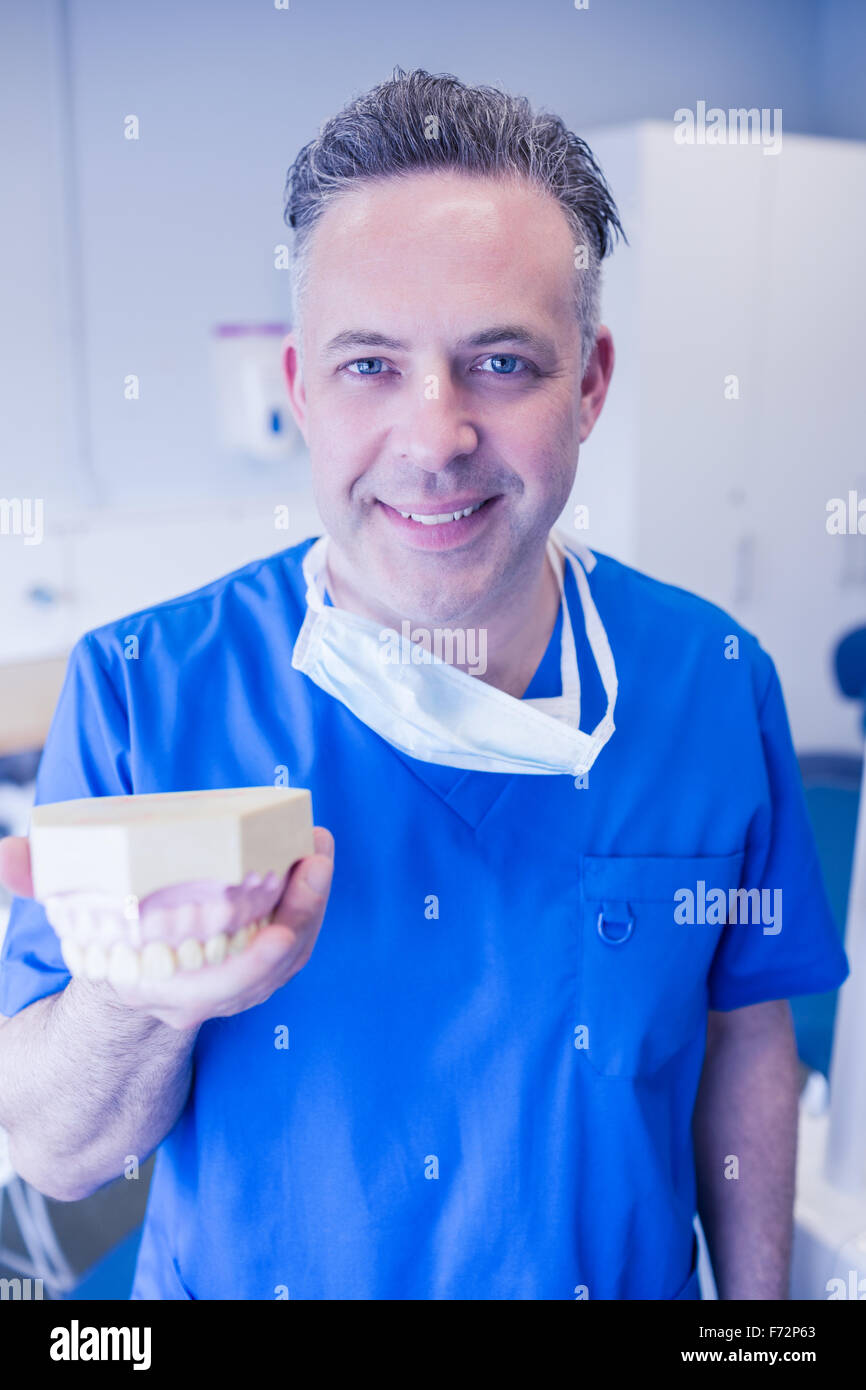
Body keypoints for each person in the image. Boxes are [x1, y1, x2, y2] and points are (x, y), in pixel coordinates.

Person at [0, 68, 848, 1301]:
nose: (435, 434)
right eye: (369, 366)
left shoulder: (709, 682)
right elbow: (61, 1154)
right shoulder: (144, 693)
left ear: (591, 384)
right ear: (298, 389)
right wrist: (140, 1000)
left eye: (501, 361)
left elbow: (744, 1036)